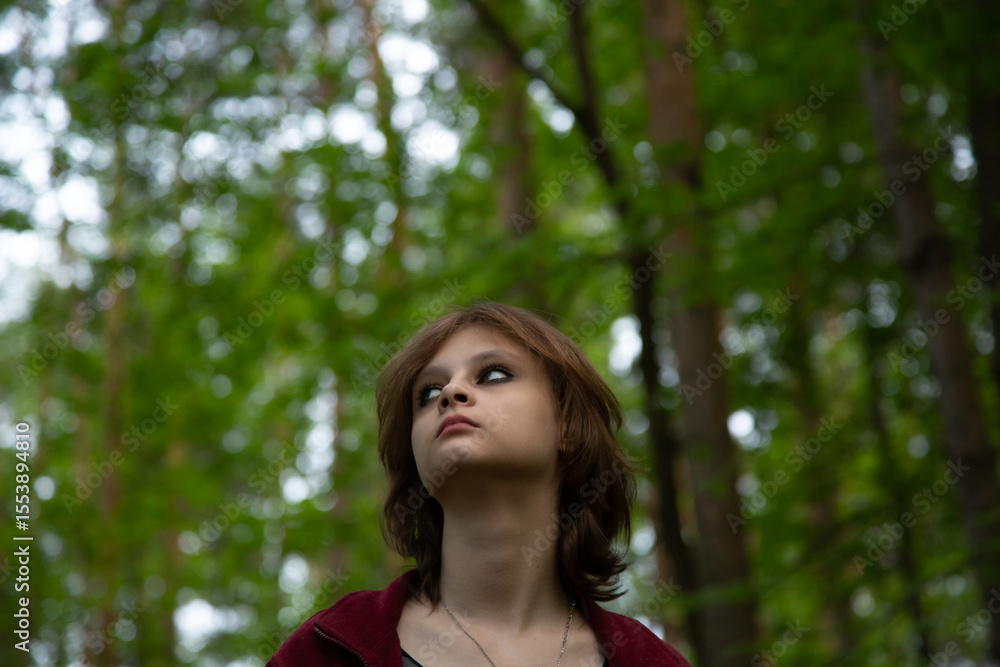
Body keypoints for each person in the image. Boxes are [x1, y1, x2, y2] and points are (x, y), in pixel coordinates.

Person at [267, 302, 690, 666]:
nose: (451, 391)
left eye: (493, 374)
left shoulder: (649, 661)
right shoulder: (329, 649)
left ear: (567, 426)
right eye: (428, 393)